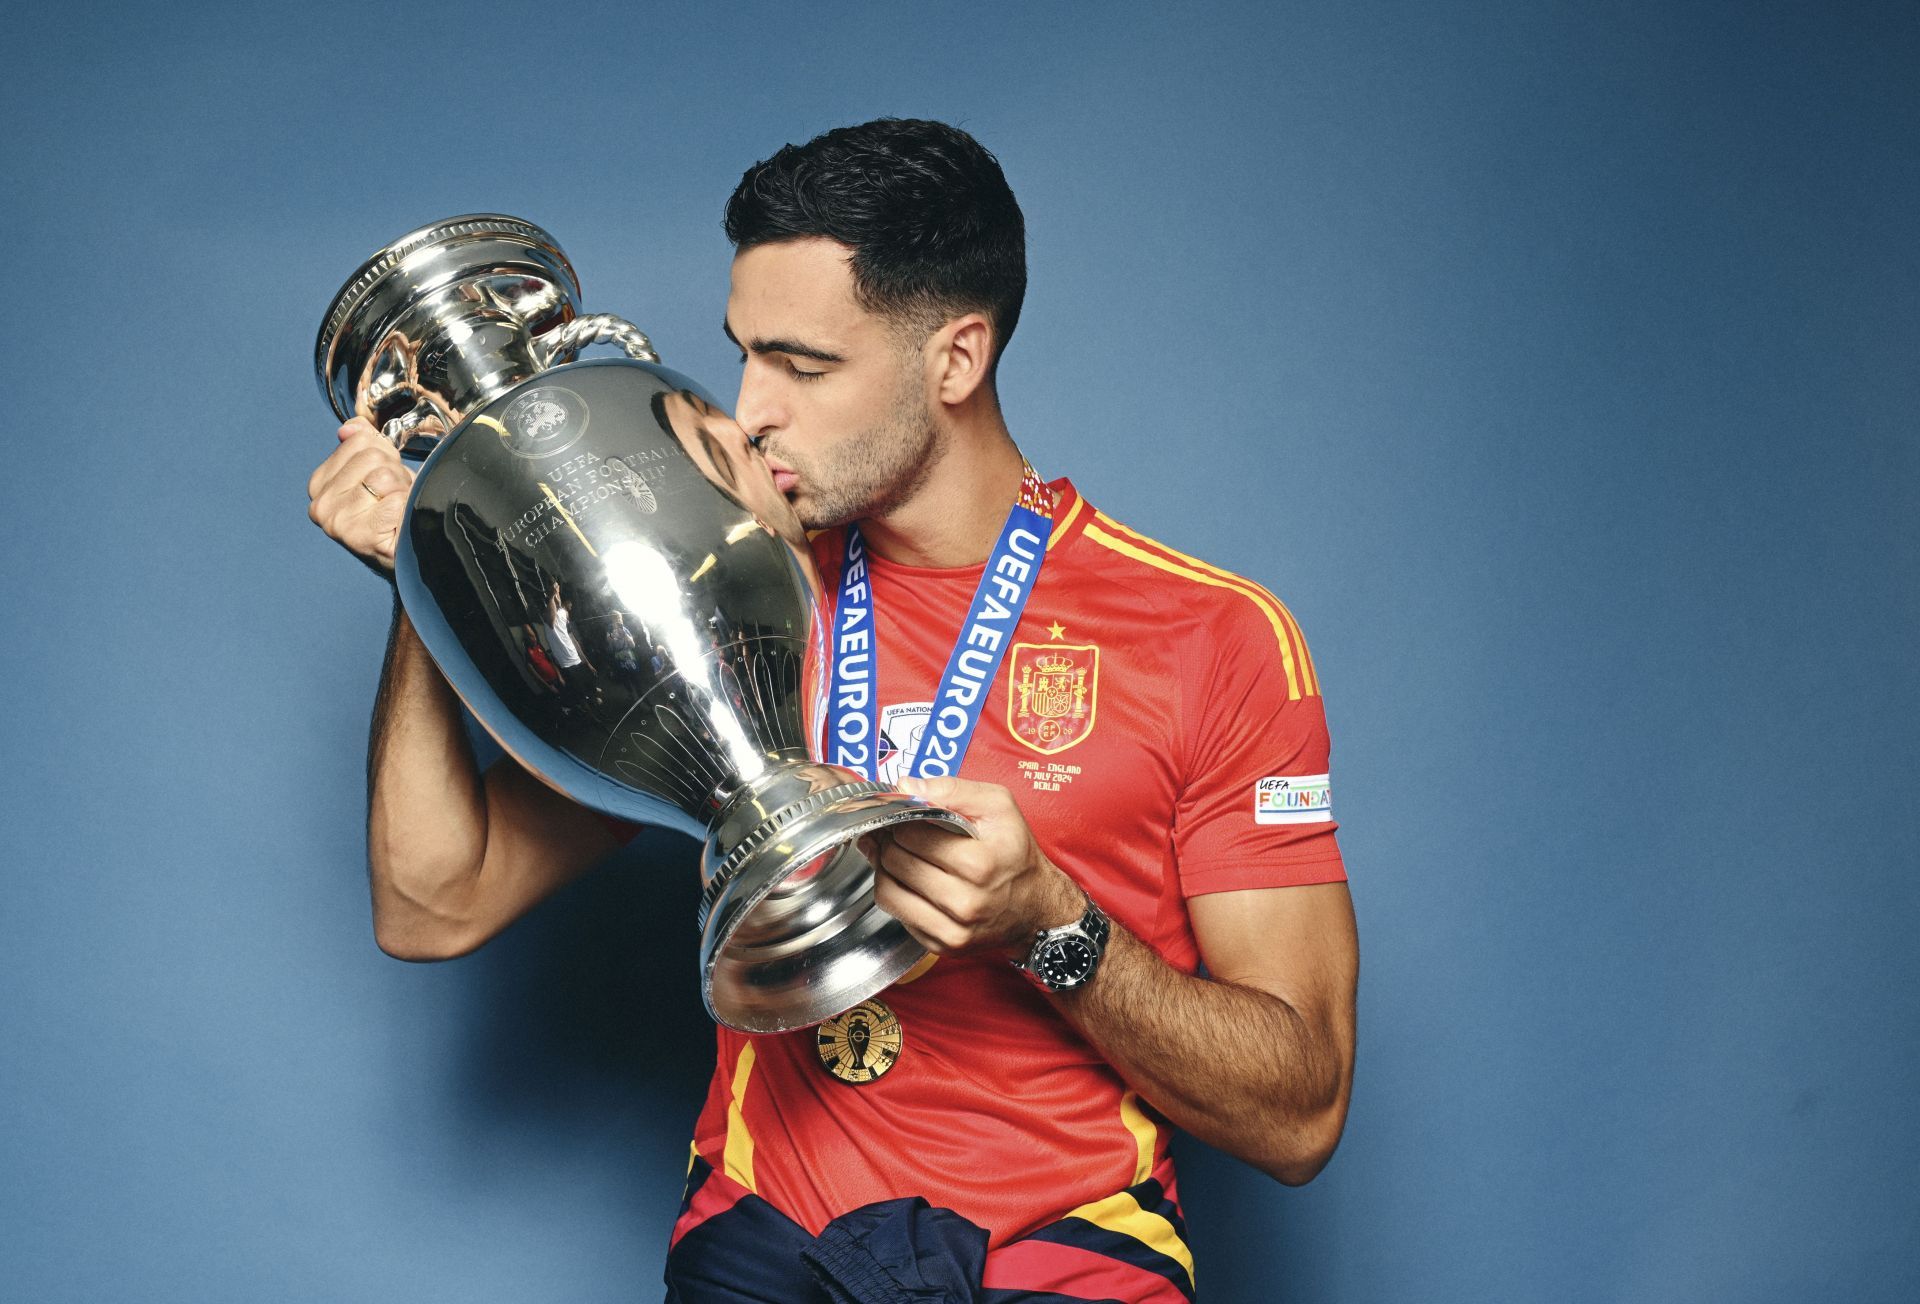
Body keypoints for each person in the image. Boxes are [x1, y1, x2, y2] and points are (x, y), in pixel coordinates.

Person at [306, 118, 1358, 1303]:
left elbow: (1302, 1109)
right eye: (742, 353)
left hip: (1064, 1260)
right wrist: (427, 565)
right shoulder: (722, 586)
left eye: (803, 366)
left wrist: (1049, 925)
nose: (750, 408)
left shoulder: (1208, 636)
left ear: (953, 360)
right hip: (769, 1241)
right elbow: (434, 902)